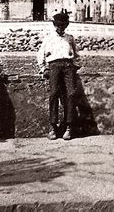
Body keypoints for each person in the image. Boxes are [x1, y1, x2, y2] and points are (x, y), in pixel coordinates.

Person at [37, 12, 80, 140]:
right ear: (54, 25)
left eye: (63, 25)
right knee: (54, 94)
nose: (60, 28)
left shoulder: (70, 38)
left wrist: (75, 65)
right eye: (58, 25)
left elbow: (76, 54)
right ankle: (53, 126)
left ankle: (69, 126)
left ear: (66, 25)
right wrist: (43, 68)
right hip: (54, 66)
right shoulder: (49, 38)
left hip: (68, 66)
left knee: (71, 94)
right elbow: (40, 55)